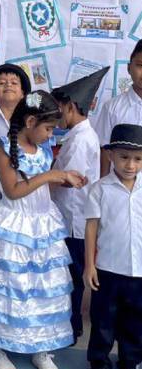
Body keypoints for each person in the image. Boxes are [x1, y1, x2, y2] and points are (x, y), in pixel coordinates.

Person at [0, 91, 85, 369]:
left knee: (43, 285)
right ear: (30, 121)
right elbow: (13, 191)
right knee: (10, 285)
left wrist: (66, 179)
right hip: (14, 225)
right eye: (48, 128)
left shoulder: (45, 148)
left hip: (42, 223)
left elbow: (40, 186)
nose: (51, 135)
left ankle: (41, 345)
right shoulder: (2, 148)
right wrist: (52, 176)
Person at [83, 124, 142, 369]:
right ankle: (98, 366)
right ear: (110, 156)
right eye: (124, 157)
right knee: (103, 321)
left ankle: (130, 367)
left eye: (138, 158)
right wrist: (89, 265)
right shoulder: (100, 189)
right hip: (107, 269)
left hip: (139, 272)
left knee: (135, 324)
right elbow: (92, 228)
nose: (130, 165)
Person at [50, 67, 108, 342]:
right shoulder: (77, 135)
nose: (55, 115)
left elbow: (69, 178)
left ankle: (71, 328)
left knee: (69, 280)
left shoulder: (81, 138)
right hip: (69, 217)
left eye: (58, 109)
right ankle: (71, 326)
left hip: (72, 221)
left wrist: (39, 177)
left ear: (70, 107)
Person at [0, 64, 31, 221]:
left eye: (14, 83)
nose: (8, 85)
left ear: (23, 93)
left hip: (26, 196)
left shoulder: (31, 123)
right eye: (2, 83)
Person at [95, 40, 142, 176]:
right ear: (129, 68)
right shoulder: (112, 107)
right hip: (117, 188)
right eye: (140, 65)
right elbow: (104, 149)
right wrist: (103, 185)